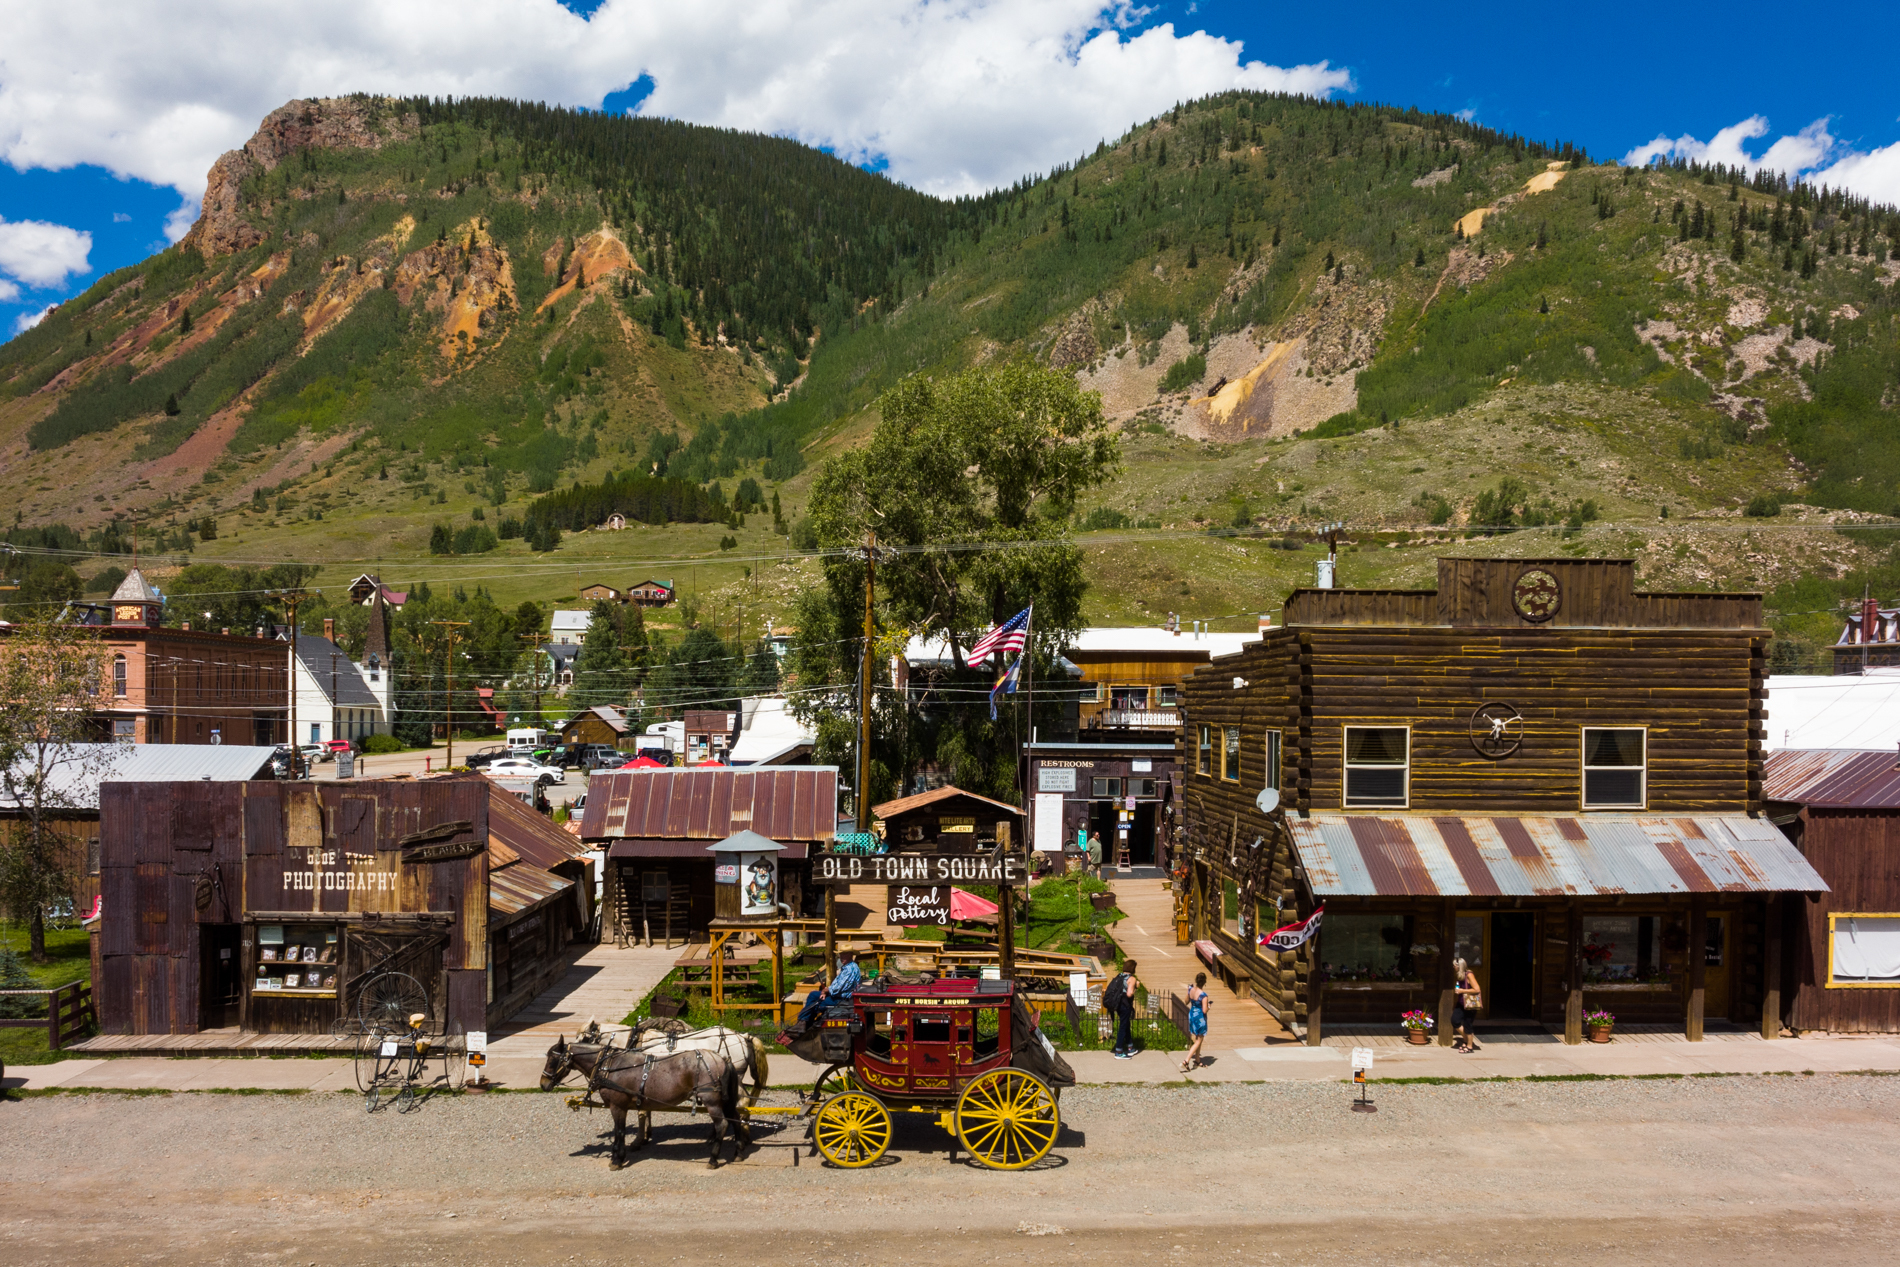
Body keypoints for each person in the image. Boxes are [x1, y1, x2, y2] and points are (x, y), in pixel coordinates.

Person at [796, 951, 862, 1028]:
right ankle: (806, 1023)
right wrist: (827, 990)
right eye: (841, 955)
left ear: (851, 955)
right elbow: (838, 985)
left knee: (814, 999)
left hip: (841, 1000)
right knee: (814, 998)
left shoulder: (849, 969)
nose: (842, 957)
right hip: (840, 997)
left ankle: (803, 1023)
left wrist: (826, 991)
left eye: (845, 954)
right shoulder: (850, 966)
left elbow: (839, 987)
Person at [1180, 971, 1211, 1073]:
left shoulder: (1191, 990)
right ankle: (1186, 1061)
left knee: (1198, 1038)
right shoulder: (1204, 996)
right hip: (1200, 1018)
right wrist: (1209, 1006)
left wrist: (1189, 991)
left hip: (1192, 1015)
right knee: (1198, 1040)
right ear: (1204, 982)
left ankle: (1197, 1060)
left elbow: (1186, 1001)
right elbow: (1204, 1010)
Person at [1109, 959, 1140, 1058]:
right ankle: (1119, 1051)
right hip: (1125, 1005)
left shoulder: (1120, 976)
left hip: (1118, 1005)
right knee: (1123, 1026)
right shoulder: (1131, 978)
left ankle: (1130, 1047)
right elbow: (1129, 993)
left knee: (1126, 1024)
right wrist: (1135, 987)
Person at [1451, 957, 1483, 1052]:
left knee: (1468, 1024)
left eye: (1454, 965)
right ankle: (1466, 1040)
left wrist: (1462, 991)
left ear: (1459, 966)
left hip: (1470, 1004)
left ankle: (1469, 1046)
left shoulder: (1469, 975)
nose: (1453, 967)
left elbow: (1477, 989)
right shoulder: (1460, 975)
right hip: (1461, 1003)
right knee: (1454, 1021)